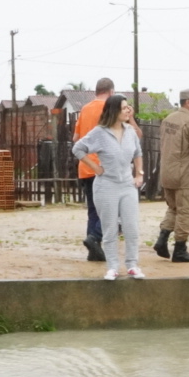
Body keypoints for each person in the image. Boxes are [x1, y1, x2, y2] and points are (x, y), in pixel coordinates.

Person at [71, 94, 146, 280]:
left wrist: (139, 173)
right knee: (109, 227)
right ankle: (112, 266)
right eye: (124, 108)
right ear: (114, 111)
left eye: (128, 107)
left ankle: (132, 264)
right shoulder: (100, 132)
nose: (128, 110)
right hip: (106, 186)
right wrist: (96, 167)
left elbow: (138, 152)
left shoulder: (129, 131)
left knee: (131, 227)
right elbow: (77, 148)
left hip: (127, 185)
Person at [153, 89, 189, 263]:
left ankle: (162, 239)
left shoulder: (168, 120)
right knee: (186, 211)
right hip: (184, 174)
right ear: (188, 102)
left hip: (167, 173)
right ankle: (180, 249)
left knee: (173, 208)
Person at [75, 77, 113, 262]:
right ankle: (94, 238)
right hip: (103, 167)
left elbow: (76, 137)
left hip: (85, 166)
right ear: (111, 91)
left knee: (93, 210)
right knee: (111, 209)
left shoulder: (85, 109)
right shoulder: (110, 109)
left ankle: (93, 251)